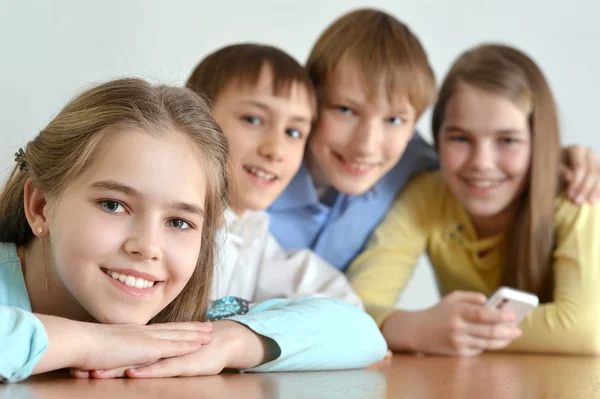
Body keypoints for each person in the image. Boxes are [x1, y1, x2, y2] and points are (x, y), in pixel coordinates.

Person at [0, 78, 386, 382]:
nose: (148, 247)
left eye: (179, 222)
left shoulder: (175, 320)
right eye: (113, 205)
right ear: (40, 207)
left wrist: (230, 342)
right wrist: (92, 343)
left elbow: (360, 333)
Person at [267, 8, 600, 273]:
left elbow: (480, 167)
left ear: (413, 125)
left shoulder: (416, 163)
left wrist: (560, 159)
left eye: (394, 120)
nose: (367, 145)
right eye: (345, 110)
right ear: (311, 99)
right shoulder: (256, 170)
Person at [347, 44, 600, 356]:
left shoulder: (577, 193)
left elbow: (585, 331)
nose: (482, 162)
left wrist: (462, 328)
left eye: (507, 140)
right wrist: (417, 328)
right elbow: (352, 311)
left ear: (539, 144)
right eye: (460, 138)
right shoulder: (428, 195)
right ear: (436, 141)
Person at [186, 43, 362, 308]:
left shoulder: (254, 236)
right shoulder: (165, 223)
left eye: (293, 132)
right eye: (254, 120)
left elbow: (349, 313)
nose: (275, 151)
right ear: (194, 117)